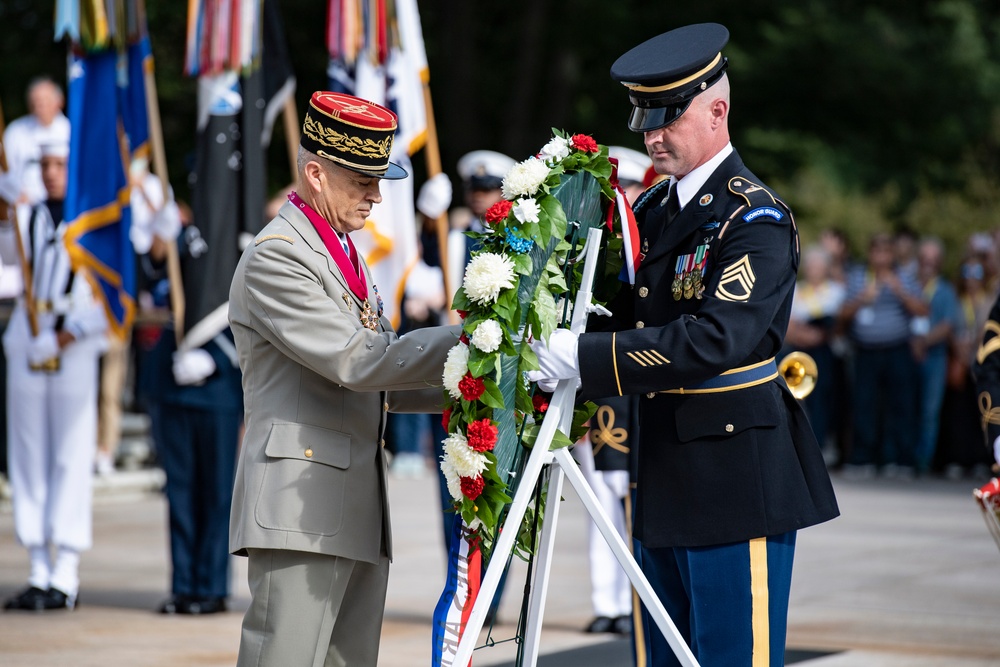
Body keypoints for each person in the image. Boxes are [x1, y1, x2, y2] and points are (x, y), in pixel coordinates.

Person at [528, 24, 840, 666]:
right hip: (661, 468)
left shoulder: (754, 218)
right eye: (645, 117)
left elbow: (716, 338)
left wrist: (581, 358)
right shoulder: (652, 211)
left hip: (734, 477)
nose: (652, 134)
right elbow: (619, 314)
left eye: (668, 117)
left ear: (717, 110)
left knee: (731, 658)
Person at [228, 91, 459, 666]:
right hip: (300, 509)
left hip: (346, 501)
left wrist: (480, 382)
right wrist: (474, 339)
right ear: (316, 174)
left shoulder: (336, 251)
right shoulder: (278, 256)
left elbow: (380, 380)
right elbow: (358, 361)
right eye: (362, 181)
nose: (377, 195)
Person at [1, 140, 108, 611]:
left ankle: (65, 572)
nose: (50, 173)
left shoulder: (98, 223)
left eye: (60, 164)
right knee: (28, 457)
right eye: (43, 165)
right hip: (29, 337)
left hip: (74, 342)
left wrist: (68, 335)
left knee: (68, 455)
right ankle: (38, 567)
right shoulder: (27, 217)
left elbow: (112, 298)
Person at [574, 145, 650, 638]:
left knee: (632, 498)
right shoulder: (597, 250)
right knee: (603, 497)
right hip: (603, 387)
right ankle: (609, 600)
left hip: (642, 386)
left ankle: (637, 599)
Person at [839, 233, 928, 478]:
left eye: (886, 252)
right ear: (870, 254)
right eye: (876, 252)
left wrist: (900, 291)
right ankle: (862, 459)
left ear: (892, 255)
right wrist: (861, 299)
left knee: (901, 406)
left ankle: (901, 460)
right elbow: (843, 314)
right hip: (865, 350)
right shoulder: (858, 276)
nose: (881, 257)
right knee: (863, 405)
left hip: (897, 348)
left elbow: (922, 310)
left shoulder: (904, 277)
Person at [784, 245, 846, 460]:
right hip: (797, 353)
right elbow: (788, 325)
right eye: (810, 266)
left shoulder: (837, 291)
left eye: (819, 266)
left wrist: (819, 335)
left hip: (825, 356)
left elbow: (838, 323)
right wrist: (803, 335)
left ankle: (821, 445)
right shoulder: (797, 290)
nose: (814, 270)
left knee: (823, 400)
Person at [911, 237, 962, 476]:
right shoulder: (909, 284)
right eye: (924, 259)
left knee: (929, 411)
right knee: (906, 407)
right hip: (907, 354)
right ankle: (904, 457)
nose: (928, 264)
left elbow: (948, 324)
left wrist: (924, 342)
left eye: (933, 259)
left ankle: (923, 459)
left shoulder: (945, 289)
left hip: (935, 357)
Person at [0, 78, 71, 209]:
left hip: (64, 205)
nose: (40, 106)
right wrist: (15, 194)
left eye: (45, 101)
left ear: (59, 101)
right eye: (35, 101)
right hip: (23, 208)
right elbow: (3, 170)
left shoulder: (70, 130)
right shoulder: (16, 131)